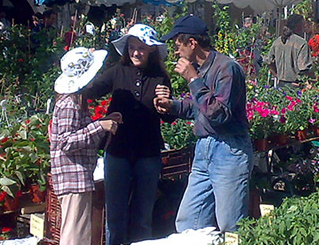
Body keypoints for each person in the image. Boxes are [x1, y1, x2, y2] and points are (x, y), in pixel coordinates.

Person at [153, 15, 250, 233]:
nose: (176, 51)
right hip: (204, 149)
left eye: (178, 44)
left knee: (230, 224)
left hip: (228, 149)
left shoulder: (227, 69)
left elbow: (219, 114)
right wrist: (172, 106)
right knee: (189, 222)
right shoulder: (202, 68)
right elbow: (200, 108)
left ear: (192, 43)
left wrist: (193, 79)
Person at [84, 25, 171, 245]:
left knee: (143, 216)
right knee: (115, 215)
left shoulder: (160, 77)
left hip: (147, 153)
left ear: (151, 50)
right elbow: (91, 91)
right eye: (131, 47)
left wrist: (166, 103)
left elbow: (169, 118)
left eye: (141, 48)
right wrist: (84, 70)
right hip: (118, 151)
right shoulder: (117, 71)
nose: (135, 53)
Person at [50, 47, 121, 245]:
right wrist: (99, 126)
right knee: (75, 234)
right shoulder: (69, 104)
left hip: (78, 176)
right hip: (73, 177)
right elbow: (65, 141)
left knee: (79, 230)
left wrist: (104, 122)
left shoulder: (74, 102)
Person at [264, 14, 313, 86]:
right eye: (303, 24)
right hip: (295, 85)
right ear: (299, 26)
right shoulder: (301, 43)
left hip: (280, 83)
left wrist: (277, 75)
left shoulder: (277, 42)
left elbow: (269, 61)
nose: (304, 27)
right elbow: (303, 68)